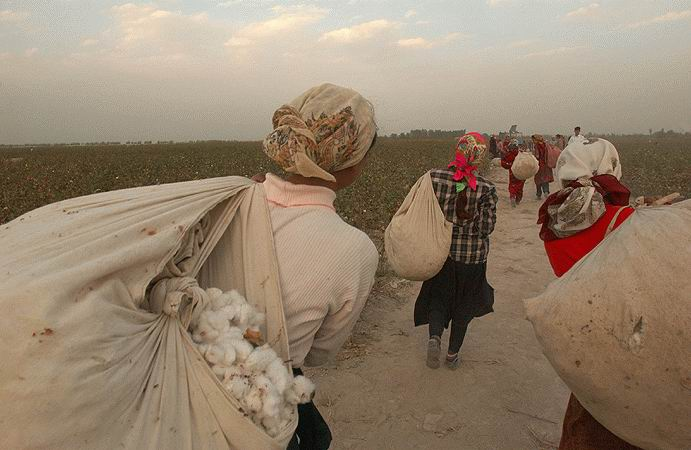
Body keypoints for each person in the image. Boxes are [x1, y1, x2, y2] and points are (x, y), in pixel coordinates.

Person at [257, 83, 380, 449]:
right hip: (266, 408)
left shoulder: (234, 199)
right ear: (353, 158)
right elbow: (320, 351)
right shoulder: (356, 249)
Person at [537, 139, 640, 449]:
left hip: (583, 331)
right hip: (625, 336)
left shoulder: (556, 219)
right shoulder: (625, 219)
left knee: (584, 417)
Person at [414, 132, 497, 370]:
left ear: (458, 149)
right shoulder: (487, 188)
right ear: (479, 157)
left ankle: (434, 337)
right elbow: (486, 228)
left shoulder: (433, 178)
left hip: (442, 254)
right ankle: (452, 355)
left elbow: (422, 212)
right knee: (465, 305)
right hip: (473, 259)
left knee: (439, 297)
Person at [500, 139, 524, 207]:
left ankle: (512, 197)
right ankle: (518, 200)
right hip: (521, 173)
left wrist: (509, 165)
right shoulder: (521, 153)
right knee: (520, 187)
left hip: (512, 173)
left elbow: (504, 163)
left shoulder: (508, 154)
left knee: (512, 186)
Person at [532, 134, 554, 200]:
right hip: (546, 165)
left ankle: (539, 195)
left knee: (538, 180)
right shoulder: (546, 145)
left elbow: (537, 156)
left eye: (533, 139)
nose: (533, 141)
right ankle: (546, 191)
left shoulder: (537, 146)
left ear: (536, 139)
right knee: (545, 179)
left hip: (539, 165)